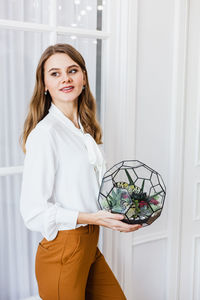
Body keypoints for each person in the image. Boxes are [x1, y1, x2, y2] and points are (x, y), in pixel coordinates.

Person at [19, 43, 141, 300]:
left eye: (72, 70)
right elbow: (33, 212)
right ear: (44, 85)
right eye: (54, 73)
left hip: (88, 245)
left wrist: (122, 217)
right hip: (64, 250)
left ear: (83, 77)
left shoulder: (83, 131)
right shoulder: (46, 134)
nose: (65, 78)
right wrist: (95, 218)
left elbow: (89, 192)